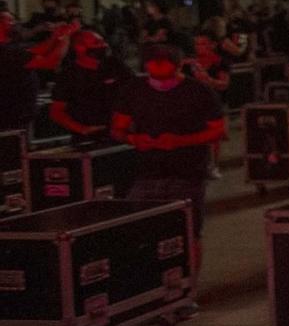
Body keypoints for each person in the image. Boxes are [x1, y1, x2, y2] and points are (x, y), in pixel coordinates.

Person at [110, 42, 225, 276]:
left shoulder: (198, 91)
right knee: (136, 228)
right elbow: (118, 129)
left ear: (178, 65)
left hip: (187, 172)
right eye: (154, 66)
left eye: (165, 66)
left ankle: (188, 290)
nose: (159, 73)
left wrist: (180, 141)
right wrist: (134, 139)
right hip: (147, 172)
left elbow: (218, 131)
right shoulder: (134, 89)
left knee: (188, 232)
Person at [48, 28, 130, 138]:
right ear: (79, 48)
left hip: (121, 132)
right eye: (97, 43)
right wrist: (82, 129)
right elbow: (57, 112)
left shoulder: (114, 64)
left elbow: (135, 91)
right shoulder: (68, 75)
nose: (104, 45)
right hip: (90, 135)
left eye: (103, 41)